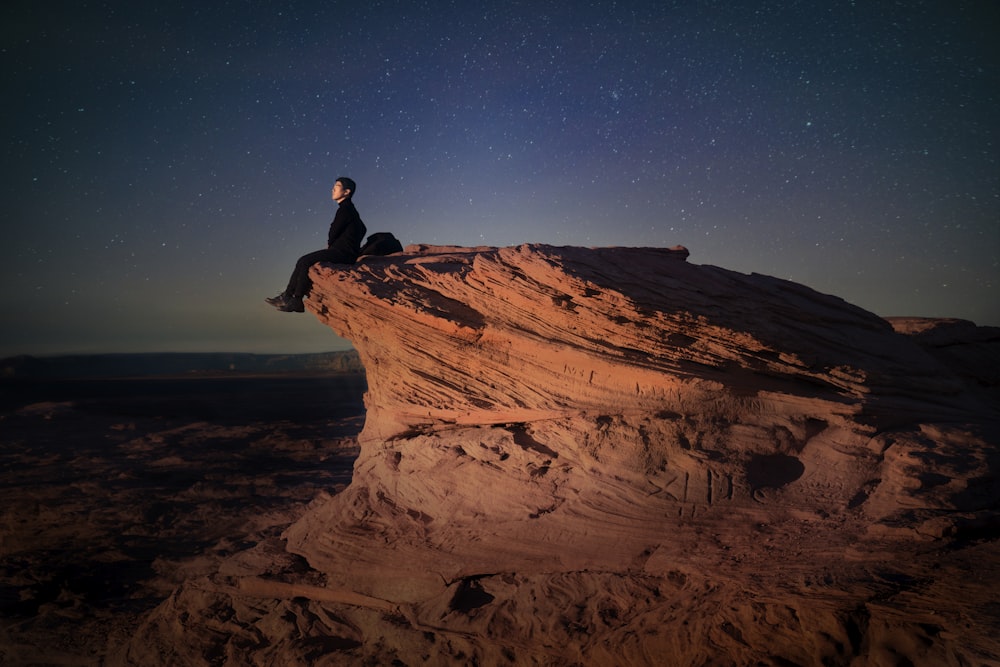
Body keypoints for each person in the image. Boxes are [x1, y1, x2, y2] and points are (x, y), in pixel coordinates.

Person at [266, 177, 366, 313]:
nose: (333, 189)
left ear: (346, 191)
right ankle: (288, 297)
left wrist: (332, 244)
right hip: (346, 252)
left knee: (304, 260)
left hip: (343, 253)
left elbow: (334, 230)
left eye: (337, 186)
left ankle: (294, 300)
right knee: (304, 260)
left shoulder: (345, 209)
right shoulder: (350, 209)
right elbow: (362, 228)